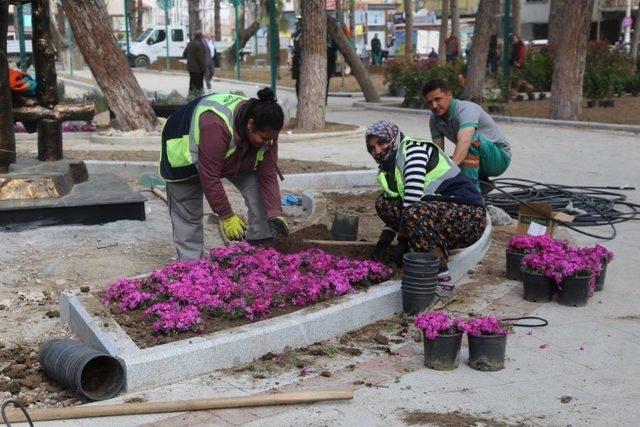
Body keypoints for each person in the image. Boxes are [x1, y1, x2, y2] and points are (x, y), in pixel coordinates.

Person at [159, 88, 290, 260]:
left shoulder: (266, 129)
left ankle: (261, 247)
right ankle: (190, 266)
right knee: (187, 213)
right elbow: (209, 177)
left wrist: (275, 212)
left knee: (260, 193)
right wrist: (226, 216)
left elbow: (268, 174)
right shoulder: (215, 125)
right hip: (183, 148)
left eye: (273, 139)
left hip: (231, 152)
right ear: (250, 124)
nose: (269, 143)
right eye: (265, 138)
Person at [366, 120, 486, 303]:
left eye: (381, 142)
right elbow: (397, 206)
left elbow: (412, 202)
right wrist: (383, 243)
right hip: (441, 214)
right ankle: (430, 247)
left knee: (415, 213)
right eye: (372, 148)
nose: (378, 151)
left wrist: (403, 242)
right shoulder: (388, 169)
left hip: (469, 216)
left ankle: (445, 285)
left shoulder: (413, 151)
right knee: (384, 203)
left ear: (393, 138)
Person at [423, 79, 511, 194]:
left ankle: (471, 195)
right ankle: (482, 185)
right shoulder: (434, 119)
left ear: (449, 95)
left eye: (437, 99)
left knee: (467, 146)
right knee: (437, 163)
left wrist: (448, 171)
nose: (434, 105)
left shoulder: (466, 109)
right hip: (476, 158)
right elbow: (438, 153)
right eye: (429, 102)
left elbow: (464, 141)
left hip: (499, 158)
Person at [183, 31, 207, 96]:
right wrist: (204, 69)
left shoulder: (190, 44)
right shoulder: (199, 45)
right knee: (199, 85)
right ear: (200, 36)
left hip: (190, 68)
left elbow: (184, 55)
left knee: (192, 83)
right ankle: (198, 97)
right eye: (202, 36)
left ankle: (191, 96)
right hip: (198, 69)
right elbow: (201, 58)